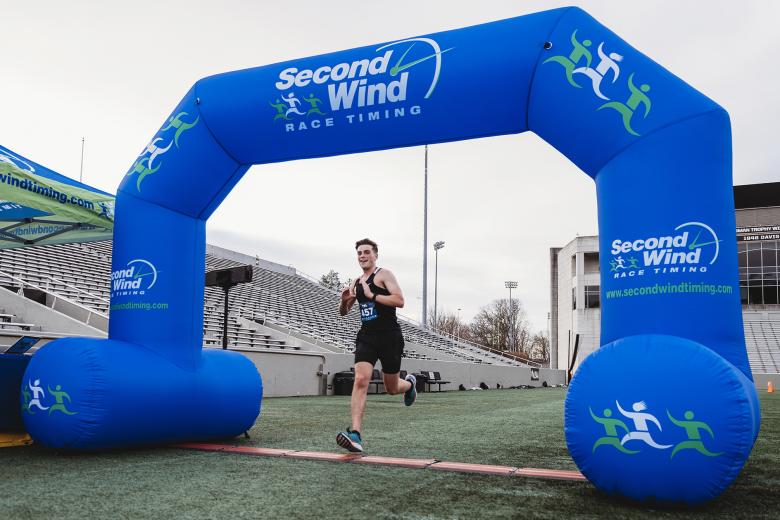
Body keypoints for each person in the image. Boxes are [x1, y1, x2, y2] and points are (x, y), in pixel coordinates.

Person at [336, 238, 416, 452]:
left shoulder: (384, 275)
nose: (362, 256)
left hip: (389, 336)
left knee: (392, 388)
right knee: (361, 379)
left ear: (375, 255)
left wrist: (373, 295)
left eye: (366, 252)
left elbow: (399, 300)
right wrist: (344, 300)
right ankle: (355, 435)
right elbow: (344, 312)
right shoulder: (356, 282)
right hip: (367, 336)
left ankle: (409, 384)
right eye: (359, 253)